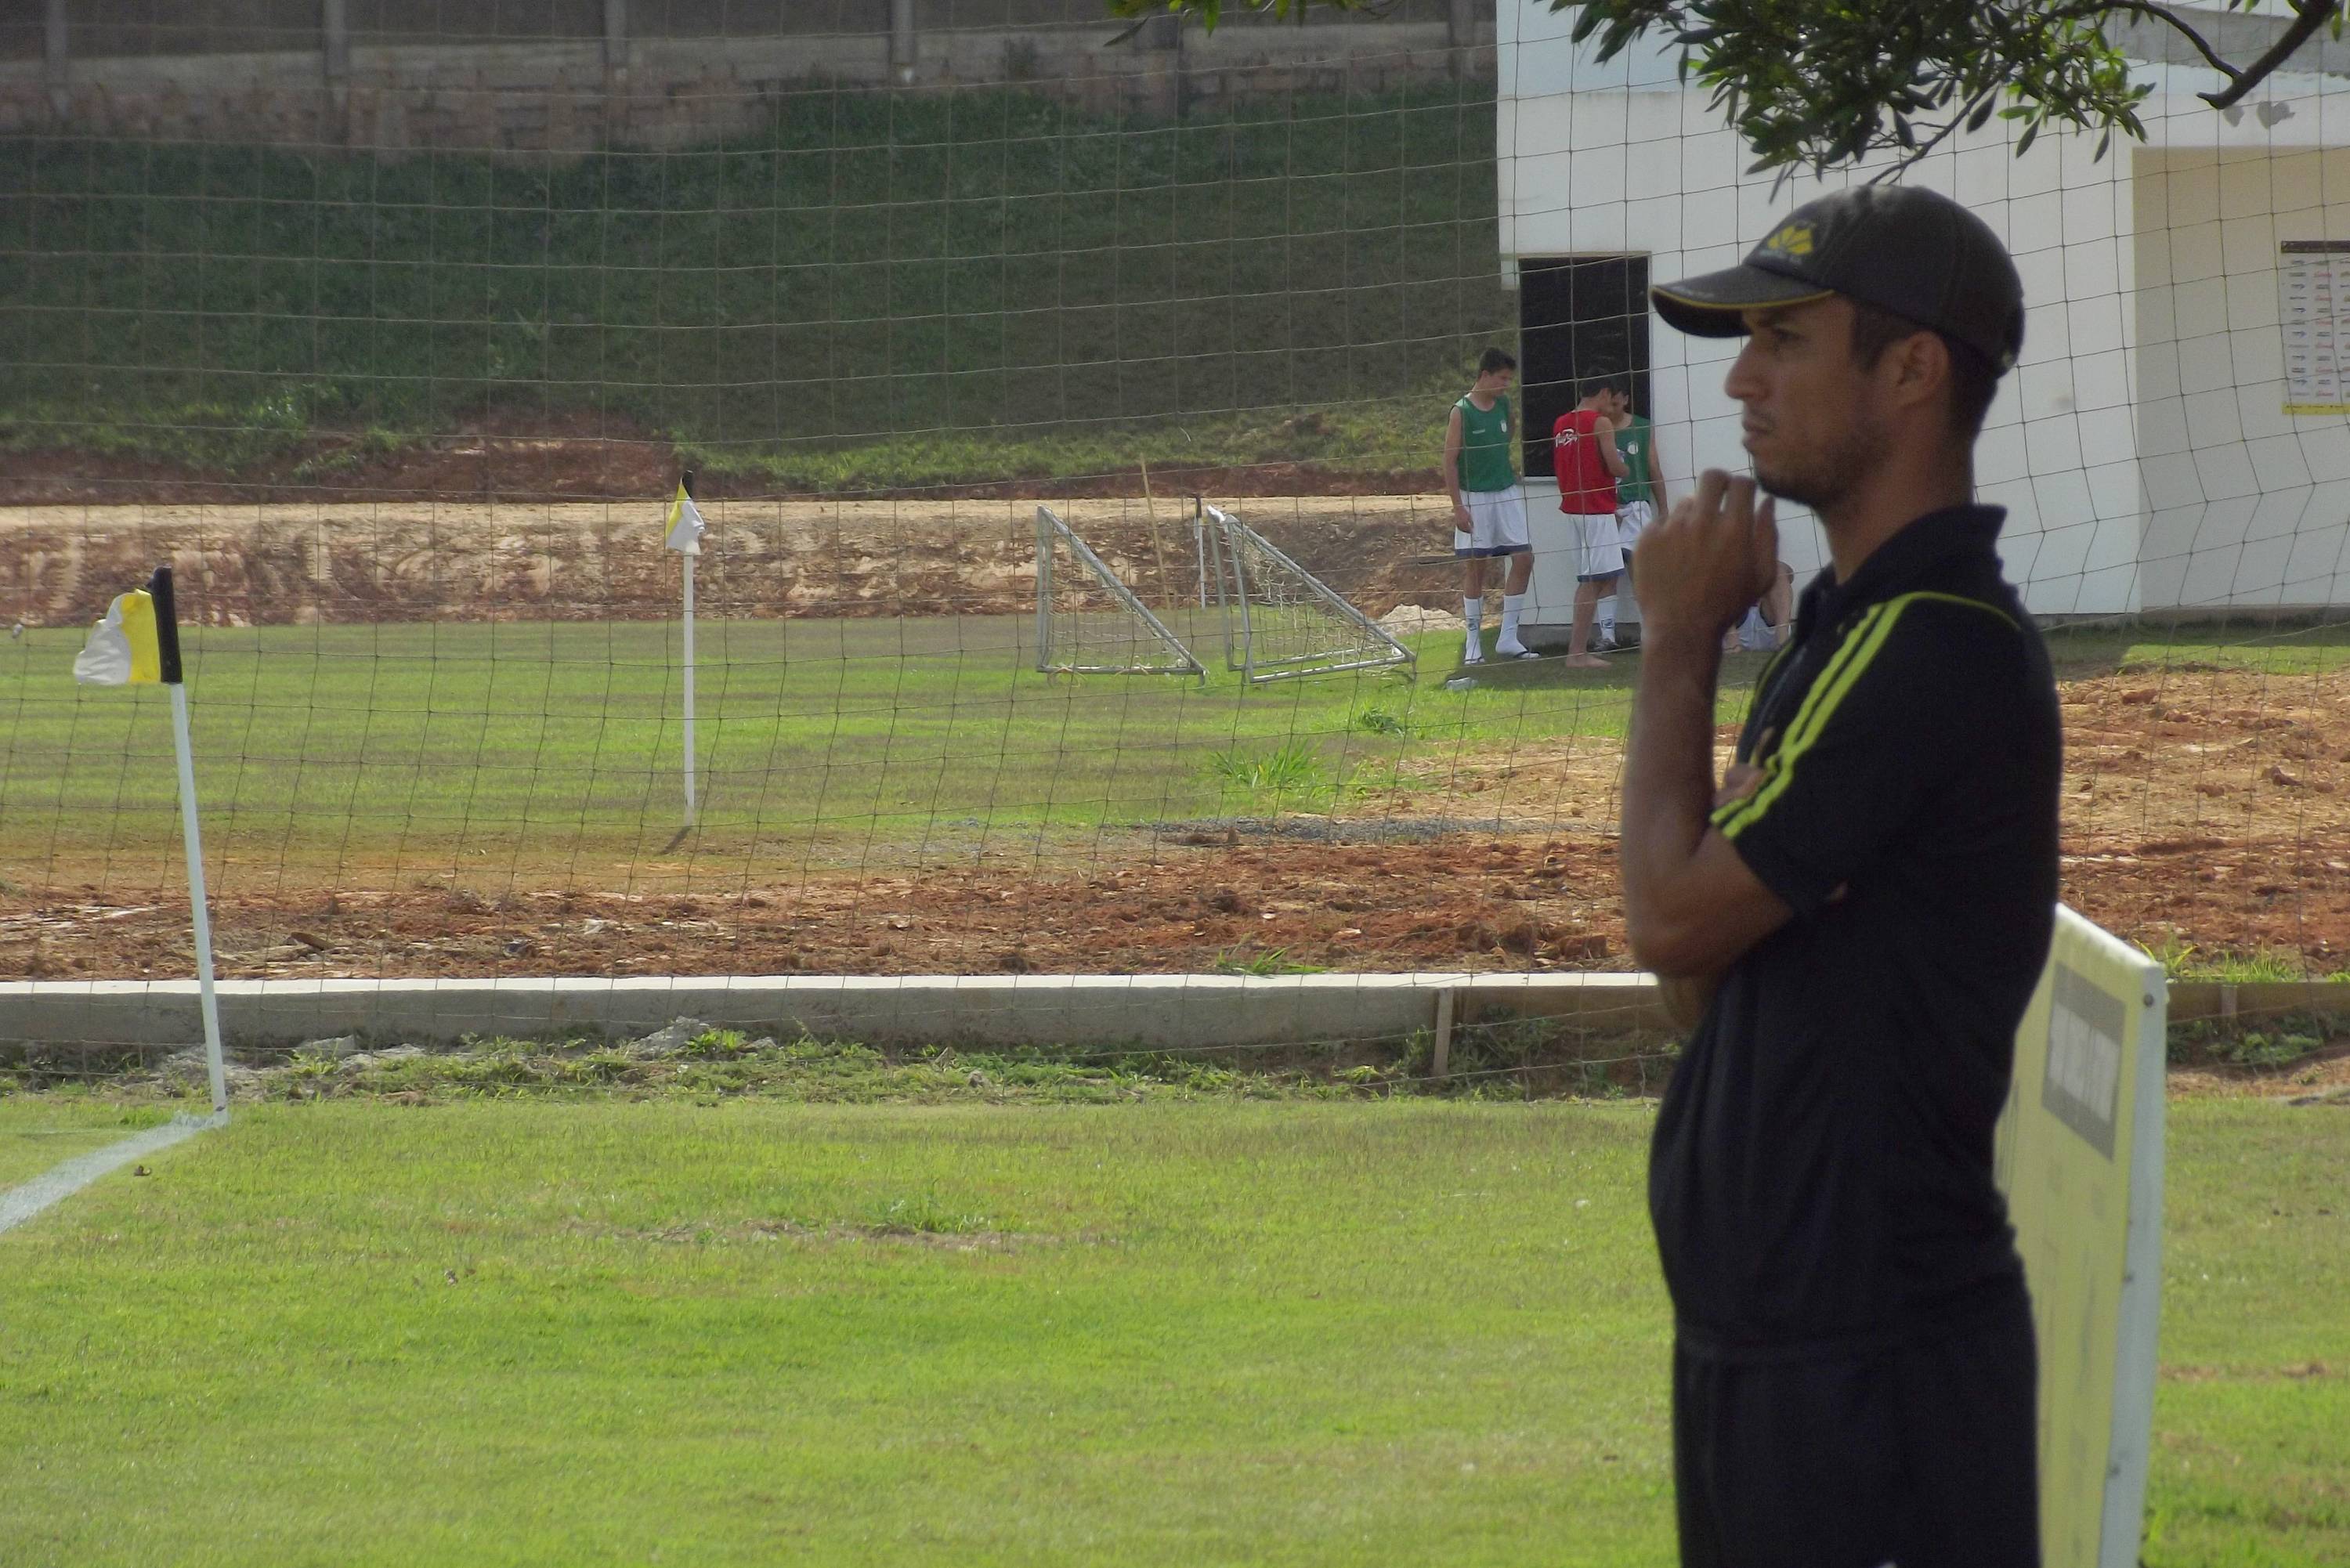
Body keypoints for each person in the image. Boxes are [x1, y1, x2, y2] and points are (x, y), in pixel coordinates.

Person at [1620, 184, 2058, 1568]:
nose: (1739, 381)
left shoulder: (1933, 642)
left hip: (1874, 1371)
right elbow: (1698, 981)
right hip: (1783, 1356)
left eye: (1785, 341)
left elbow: (1667, 916)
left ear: (1912, 369)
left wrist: (1678, 640)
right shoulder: (1841, 632)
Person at [1444, 347, 1538, 663]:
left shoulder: (1504, 404)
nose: (1506, 385)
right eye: (1502, 379)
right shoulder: (1461, 411)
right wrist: (1458, 507)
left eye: (1509, 380)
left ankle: (1508, 637)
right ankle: (1473, 642)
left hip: (1506, 491)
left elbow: (1509, 431)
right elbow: (1449, 462)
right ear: (1484, 375)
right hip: (1475, 496)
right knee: (1477, 565)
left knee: (1524, 558)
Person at [1551, 375, 1631, 667]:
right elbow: (1614, 465)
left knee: (1597, 577)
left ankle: (1581, 649)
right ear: (1605, 393)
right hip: (1595, 511)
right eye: (1612, 399)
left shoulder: (1561, 423)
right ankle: (1577, 653)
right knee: (1593, 580)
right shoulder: (1600, 423)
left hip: (1574, 509)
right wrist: (1626, 468)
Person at [1597, 398, 1671, 649]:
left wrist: (1663, 509)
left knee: (1640, 570)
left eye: (1616, 403)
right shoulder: (1596, 427)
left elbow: (1653, 468)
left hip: (1637, 507)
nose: (1611, 408)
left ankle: (1648, 634)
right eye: (1607, 403)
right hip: (1605, 508)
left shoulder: (1642, 427)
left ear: (1626, 400)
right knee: (1607, 572)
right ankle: (1607, 636)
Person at [1723, 559, 1795, 654]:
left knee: (1778, 570)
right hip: (1733, 624)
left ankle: (1782, 640)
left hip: (1769, 620)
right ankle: (1731, 640)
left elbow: (1790, 575)